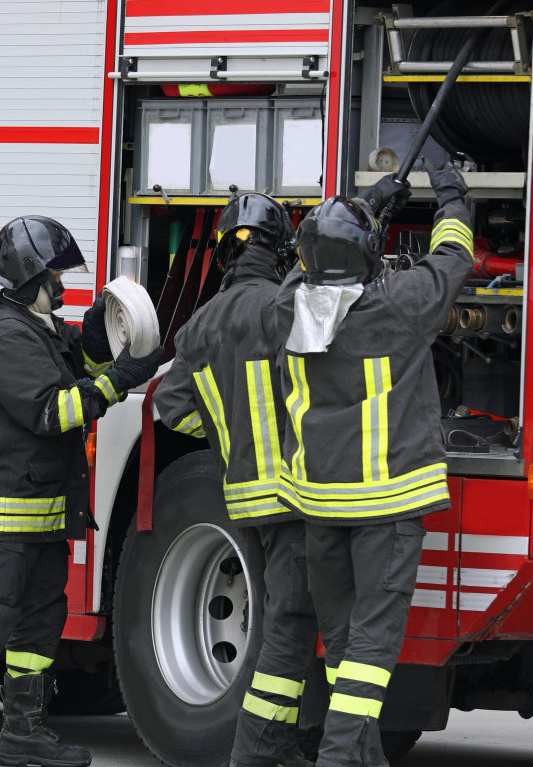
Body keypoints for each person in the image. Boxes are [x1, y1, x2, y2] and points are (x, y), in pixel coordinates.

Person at [0, 215, 163, 767]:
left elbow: (79, 360)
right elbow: (52, 410)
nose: (61, 288)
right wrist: (120, 380)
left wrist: (99, 328)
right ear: (27, 278)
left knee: (41, 621)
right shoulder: (5, 335)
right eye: (54, 279)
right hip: (5, 509)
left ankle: (23, 733)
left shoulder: (37, 328)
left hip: (43, 509)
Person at [276, 167, 472, 767]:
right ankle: (340, 757)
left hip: (321, 507)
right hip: (385, 506)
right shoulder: (400, 303)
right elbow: (451, 262)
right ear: (368, 256)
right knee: (371, 645)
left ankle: (361, 756)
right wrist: (454, 201)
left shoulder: (288, 308)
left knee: (341, 643)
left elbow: (302, 268)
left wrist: (364, 207)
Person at [154, 193, 316, 767]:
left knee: (275, 617)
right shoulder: (284, 308)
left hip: (244, 498)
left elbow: (170, 407)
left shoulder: (200, 324)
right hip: (295, 496)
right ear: (279, 251)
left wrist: (225, 430)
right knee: (288, 624)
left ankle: (275, 746)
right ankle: (261, 751)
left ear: (224, 250)